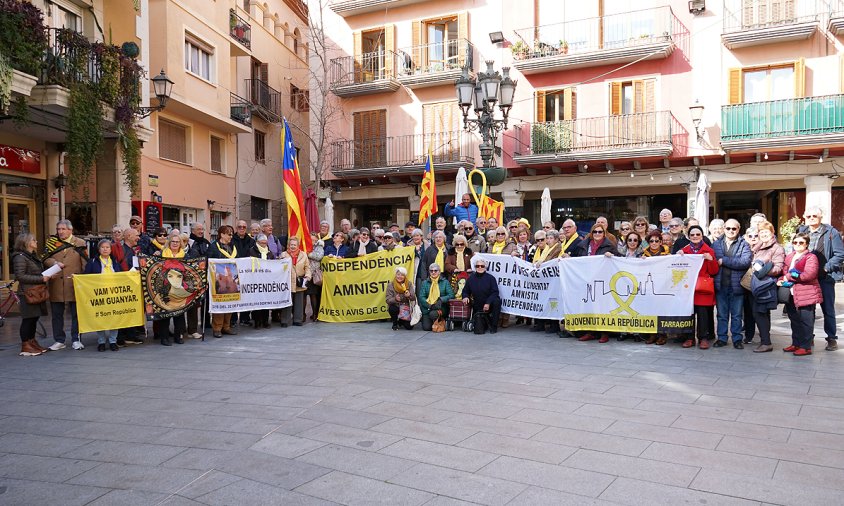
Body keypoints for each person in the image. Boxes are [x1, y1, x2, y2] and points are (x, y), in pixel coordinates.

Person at [797, 206, 844, 351]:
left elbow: (840, 254)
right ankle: (807, 337)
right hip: (806, 277)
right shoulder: (801, 231)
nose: (811, 218)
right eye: (809, 216)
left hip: (824, 277)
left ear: (820, 217)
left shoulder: (831, 232)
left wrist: (826, 267)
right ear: (805, 216)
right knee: (807, 309)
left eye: (814, 216)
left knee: (828, 309)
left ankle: (831, 338)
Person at [43, 219, 88, 351]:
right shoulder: (52, 243)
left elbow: (85, 262)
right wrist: (53, 263)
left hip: (74, 283)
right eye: (58, 229)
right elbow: (45, 258)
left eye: (63, 229)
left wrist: (85, 280)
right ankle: (59, 340)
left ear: (70, 230)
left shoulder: (80, 242)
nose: (60, 232)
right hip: (56, 283)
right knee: (57, 314)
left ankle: (76, 339)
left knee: (76, 314)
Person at [779, 232, 823, 356]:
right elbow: (784, 272)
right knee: (794, 319)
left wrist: (789, 277)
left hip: (806, 293)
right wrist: (781, 280)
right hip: (792, 293)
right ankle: (796, 343)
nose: (798, 245)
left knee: (806, 321)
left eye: (801, 242)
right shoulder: (790, 256)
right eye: (795, 242)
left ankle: (805, 346)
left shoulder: (811, 257)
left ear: (807, 244)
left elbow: (809, 274)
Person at [574, 223, 619, 343]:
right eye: (595, 232)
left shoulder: (609, 245)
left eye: (600, 232)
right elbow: (576, 259)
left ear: (604, 233)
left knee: (602, 307)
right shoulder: (583, 245)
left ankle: (604, 332)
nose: (597, 234)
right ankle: (590, 331)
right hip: (587, 280)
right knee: (589, 305)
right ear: (591, 233)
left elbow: (620, 258)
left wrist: (612, 256)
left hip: (602, 280)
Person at [712, 219, 752, 349]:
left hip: (737, 286)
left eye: (733, 229)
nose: (730, 231)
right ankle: (722, 338)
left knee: (737, 315)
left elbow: (744, 262)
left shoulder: (744, 244)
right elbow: (713, 262)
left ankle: (737, 339)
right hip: (720, 285)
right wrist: (732, 261)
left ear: (738, 230)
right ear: (724, 228)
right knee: (721, 315)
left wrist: (724, 260)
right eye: (728, 228)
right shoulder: (716, 244)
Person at [748, 221, 785, 353]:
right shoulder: (756, 247)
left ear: (772, 233)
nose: (763, 234)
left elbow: (778, 268)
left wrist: (762, 270)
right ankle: (765, 339)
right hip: (756, 285)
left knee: (760, 313)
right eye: (761, 232)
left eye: (766, 232)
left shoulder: (777, 248)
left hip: (765, 285)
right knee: (760, 313)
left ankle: (766, 342)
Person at [13, 233, 50, 357]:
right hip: (27, 293)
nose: (36, 241)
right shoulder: (20, 257)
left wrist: (48, 275)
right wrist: (41, 279)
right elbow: (20, 276)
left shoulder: (32, 256)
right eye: (33, 240)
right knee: (28, 319)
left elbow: (36, 272)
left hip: (36, 292)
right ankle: (25, 345)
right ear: (26, 242)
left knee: (34, 318)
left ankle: (32, 341)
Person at [83, 240, 123, 351]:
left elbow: (121, 277)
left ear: (110, 250)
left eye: (107, 247)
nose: (105, 249)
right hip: (99, 295)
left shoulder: (115, 262)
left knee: (114, 317)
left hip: (114, 294)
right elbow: (86, 278)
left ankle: (113, 341)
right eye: (102, 247)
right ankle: (101, 341)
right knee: (100, 318)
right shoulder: (92, 262)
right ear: (99, 249)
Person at [208, 225, 238, 338]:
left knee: (229, 302)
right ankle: (217, 328)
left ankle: (226, 327)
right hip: (219, 278)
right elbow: (209, 261)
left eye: (232, 234)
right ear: (222, 235)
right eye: (229, 234)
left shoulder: (232, 247)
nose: (231, 236)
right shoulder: (214, 247)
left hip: (231, 278)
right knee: (220, 304)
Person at [641, 230, 671, 345]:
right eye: (651, 241)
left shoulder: (667, 254)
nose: (654, 243)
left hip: (663, 286)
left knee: (662, 311)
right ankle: (652, 334)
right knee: (651, 310)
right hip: (650, 287)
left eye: (656, 241)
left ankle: (662, 335)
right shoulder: (645, 254)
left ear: (660, 242)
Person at [462, 257, 501, 334]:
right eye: (477, 266)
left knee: (497, 301)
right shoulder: (471, 278)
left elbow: (495, 292)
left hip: (489, 303)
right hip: (477, 304)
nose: (480, 267)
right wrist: (465, 296)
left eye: (482, 266)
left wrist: (488, 302)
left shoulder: (491, 278)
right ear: (475, 267)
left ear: (485, 267)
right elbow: (465, 291)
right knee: (479, 328)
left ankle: (494, 326)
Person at [281, 236, 311, 327]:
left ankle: (298, 319)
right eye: (291, 245)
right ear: (288, 245)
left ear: (298, 245)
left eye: (294, 245)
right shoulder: (283, 255)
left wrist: (308, 276)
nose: (293, 246)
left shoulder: (303, 255)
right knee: (287, 301)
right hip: (287, 281)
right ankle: (285, 320)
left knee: (299, 301)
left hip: (300, 281)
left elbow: (307, 267)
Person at [249, 233, 275, 329]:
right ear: (257, 242)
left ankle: (265, 321)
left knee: (266, 301)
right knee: (257, 302)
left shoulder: (269, 252)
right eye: (262, 243)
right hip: (256, 279)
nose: (264, 245)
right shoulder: (252, 251)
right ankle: (257, 321)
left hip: (266, 280)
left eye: (265, 243)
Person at [418, 263, 454, 331]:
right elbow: (421, 297)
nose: (433, 272)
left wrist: (441, 299)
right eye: (431, 271)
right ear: (429, 272)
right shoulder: (425, 283)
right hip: (427, 308)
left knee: (433, 314)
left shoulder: (445, 282)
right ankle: (433, 321)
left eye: (435, 270)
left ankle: (440, 320)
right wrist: (430, 306)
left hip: (441, 307)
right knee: (426, 328)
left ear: (439, 271)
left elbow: (451, 295)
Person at [741, 227, 760, 344]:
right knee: (747, 311)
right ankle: (749, 335)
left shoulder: (763, 249)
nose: (753, 238)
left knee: (759, 311)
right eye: (750, 236)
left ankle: (764, 336)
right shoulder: (742, 248)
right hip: (744, 283)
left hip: (759, 284)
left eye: (755, 236)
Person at [386, 266, 416, 330]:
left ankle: (401, 321)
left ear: (405, 276)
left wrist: (409, 295)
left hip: (406, 308)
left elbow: (414, 298)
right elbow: (388, 300)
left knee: (409, 327)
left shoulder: (409, 284)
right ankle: (395, 323)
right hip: (396, 306)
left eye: (402, 275)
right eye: (398, 274)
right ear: (395, 275)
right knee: (392, 308)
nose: (400, 276)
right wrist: (395, 299)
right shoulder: (391, 285)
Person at [307, 231, 324, 322]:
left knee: (314, 294)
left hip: (314, 273)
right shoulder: (306, 245)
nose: (312, 240)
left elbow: (319, 256)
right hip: (306, 272)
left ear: (317, 239)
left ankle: (315, 314)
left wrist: (308, 254)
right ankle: (305, 314)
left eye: (314, 239)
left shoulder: (319, 246)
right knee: (308, 294)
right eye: (311, 238)